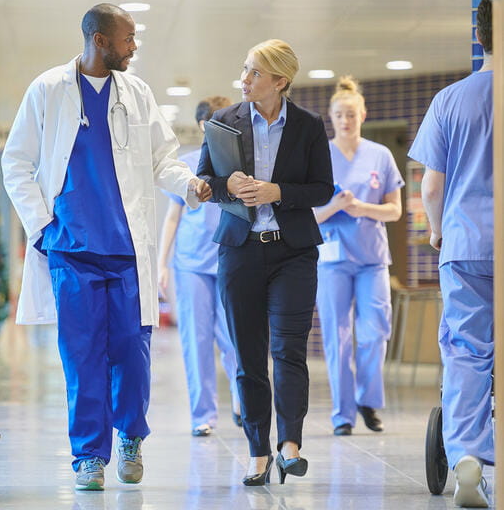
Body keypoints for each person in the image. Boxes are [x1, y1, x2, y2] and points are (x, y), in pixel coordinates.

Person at [1, 3, 211, 491]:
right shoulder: (48, 89)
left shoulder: (136, 93)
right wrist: (43, 229)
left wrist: (191, 185)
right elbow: (16, 163)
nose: (134, 46)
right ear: (99, 39)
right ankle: (87, 457)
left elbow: (163, 159)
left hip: (125, 252)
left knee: (133, 356)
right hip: (71, 251)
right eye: (127, 38)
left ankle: (131, 437)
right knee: (82, 357)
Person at [196, 39, 333, 487]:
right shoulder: (223, 122)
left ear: (280, 80)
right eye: (245, 70)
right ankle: (258, 450)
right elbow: (204, 182)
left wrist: (279, 192)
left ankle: (289, 444)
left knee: (288, 349)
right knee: (248, 357)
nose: (245, 79)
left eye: (255, 72)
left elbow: (322, 189)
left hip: (293, 252)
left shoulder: (309, 127)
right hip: (240, 251)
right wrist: (226, 184)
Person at [409, 0, 494, 508]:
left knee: (466, 352)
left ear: (479, 36)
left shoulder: (451, 100)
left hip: (465, 245)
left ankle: (467, 457)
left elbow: (432, 187)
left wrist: (439, 232)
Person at [312, 76, 403, 437]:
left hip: (372, 259)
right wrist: (334, 206)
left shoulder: (380, 155)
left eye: (351, 114)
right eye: (338, 115)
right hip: (332, 260)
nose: (345, 120)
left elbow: (394, 211)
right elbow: (308, 215)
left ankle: (368, 398)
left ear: (363, 114)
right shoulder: (320, 157)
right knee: (338, 336)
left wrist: (363, 207)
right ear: (330, 118)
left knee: (374, 332)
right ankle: (342, 414)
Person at [157, 95, 241, 437]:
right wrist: (161, 264)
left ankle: (242, 402)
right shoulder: (186, 165)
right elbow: (173, 217)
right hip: (191, 264)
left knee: (235, 339)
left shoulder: (239, 164)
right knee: (197, 339)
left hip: (230, 261)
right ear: (205, 125)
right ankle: (202, 415)